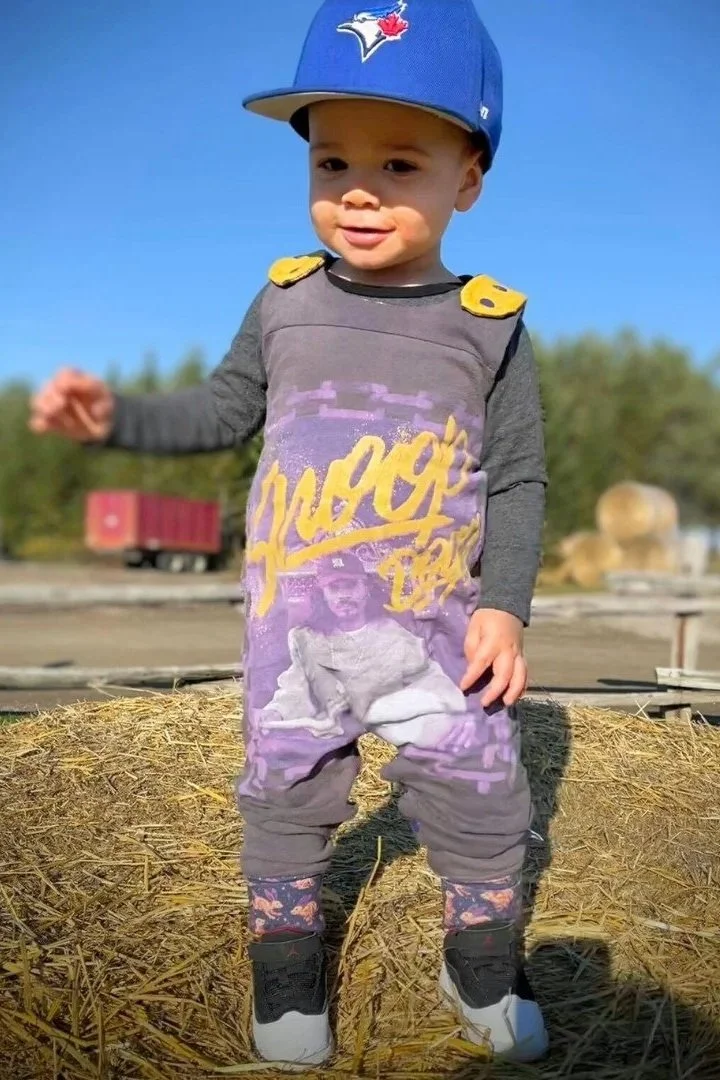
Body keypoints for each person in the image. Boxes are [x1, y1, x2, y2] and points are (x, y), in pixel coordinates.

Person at [30, 0, 549, 1066]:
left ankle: (481, 964)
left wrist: (503, 603)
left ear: (469, 180)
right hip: (294, 634)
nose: (358, 189)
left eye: (401, 164)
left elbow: (520, 478)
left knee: (483, 796)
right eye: (331, 161)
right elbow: (221, 412)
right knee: (285, 795)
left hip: (434, 633)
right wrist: (116, 418)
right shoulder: (283, 303)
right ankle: (286, 960)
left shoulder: (490, 324)